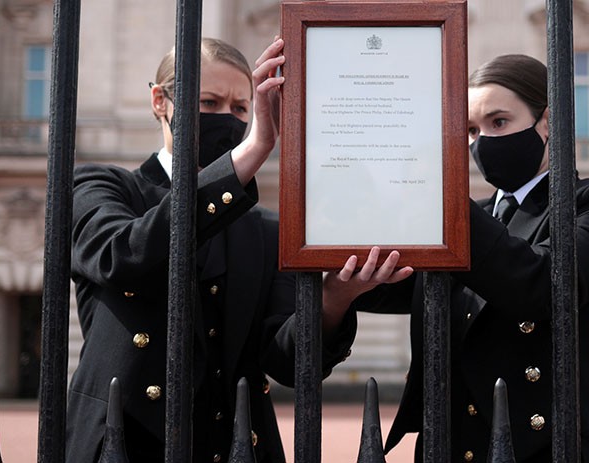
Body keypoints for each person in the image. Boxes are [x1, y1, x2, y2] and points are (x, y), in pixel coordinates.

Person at [66, 37, 408, 462]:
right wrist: (254, 149)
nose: (227, 118)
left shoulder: (265, 229)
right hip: (123, 438)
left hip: (232, 443)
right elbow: (122, 258)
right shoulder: (103, 186)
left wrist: (334, 298)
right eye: (210, 103)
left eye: (240, 109)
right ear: (160, 101)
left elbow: (287, 363)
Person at [339, 54, 589, 462]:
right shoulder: (471, 216)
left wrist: (440, 192)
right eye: (470, 129)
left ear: (548, 122)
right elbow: (385, 283)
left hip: (546, 447)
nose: (481, 142)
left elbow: (543, 284)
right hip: (449, 446)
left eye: (498, 122)